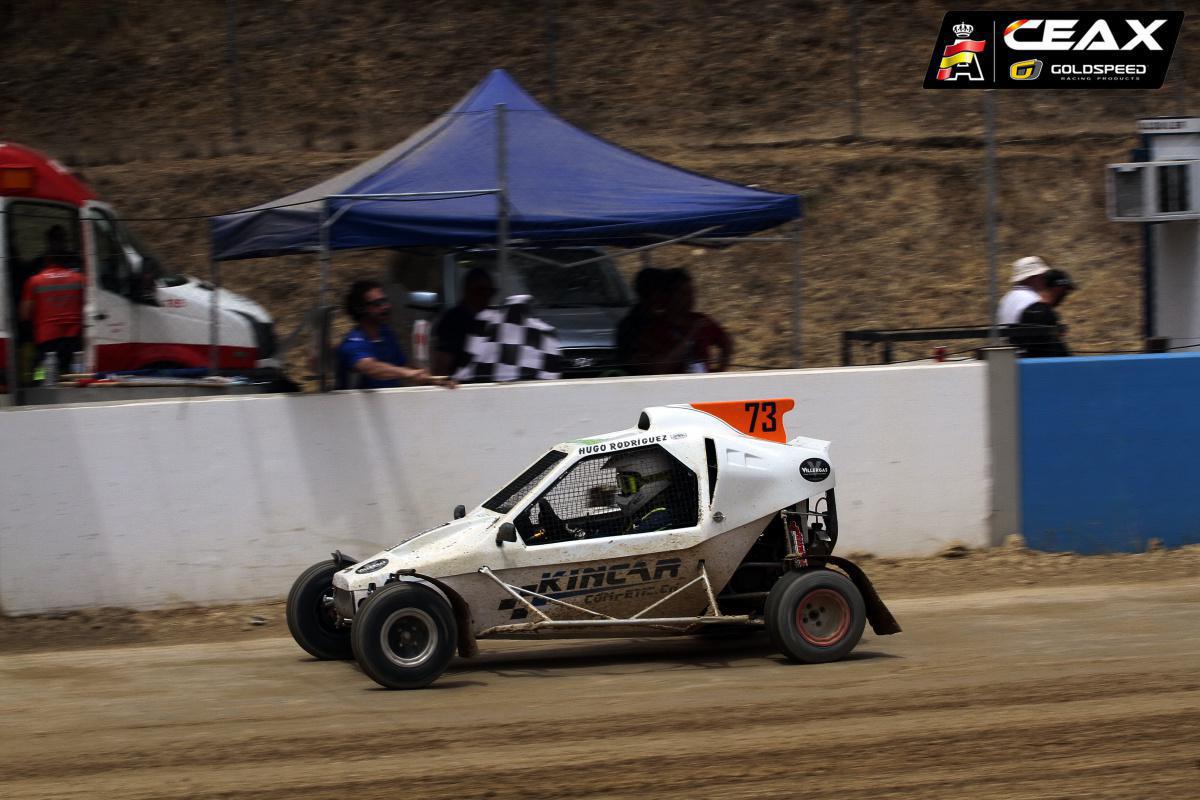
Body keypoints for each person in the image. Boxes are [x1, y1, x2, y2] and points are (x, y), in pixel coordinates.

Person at [336, 279, 454, 390]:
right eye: (378, 303)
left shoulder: (386, 334)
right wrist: (406, 373)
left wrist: (430, 379)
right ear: (360, 309)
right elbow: (370, 367)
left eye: (386, 301)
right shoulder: (353, 343)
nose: (386, 306)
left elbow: (402, 367)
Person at [19, 254, 84, 381]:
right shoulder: (79, 278)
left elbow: (24, 314)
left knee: (41, 372)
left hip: (46, 338)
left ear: (46, 263)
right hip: (73, 336)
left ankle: (40, 385)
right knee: (74, 372)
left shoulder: (35, 281)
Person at [431, 267, 495, 377]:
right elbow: (443, 362)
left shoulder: (491, 318)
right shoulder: (453, 320)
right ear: (467, 291)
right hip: (460, 385)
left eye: (490, 292)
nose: (486, 296)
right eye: (480, 291)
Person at [606, 449, 685, 533]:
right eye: (620, 483)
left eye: (627, 483)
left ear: (652, 481)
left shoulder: (661, 516)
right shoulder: (648, 511)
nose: (622, 490)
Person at [1013, 269, 1075, 358]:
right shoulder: (1046, 314)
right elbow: (1052, 350)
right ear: (1058, 289)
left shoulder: (1028, 311)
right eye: (1065, 291)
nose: (1065, 296)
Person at [615, 267, 666, 373]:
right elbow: (636, 364)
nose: (666, 297)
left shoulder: (664, 320)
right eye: (663, 291)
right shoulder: (631, 326)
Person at [998, 256, 1050, 326]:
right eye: (1042, 276)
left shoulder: (1005, 298)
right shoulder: (1034, 299)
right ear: (1032, 277)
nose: (1044, 280)